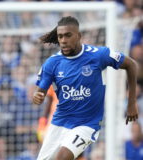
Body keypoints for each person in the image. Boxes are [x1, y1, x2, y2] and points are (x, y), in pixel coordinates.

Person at [32, 16, 138, 160]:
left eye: (68, 35)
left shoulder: (98, 55)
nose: (63, 40)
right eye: (60, 36)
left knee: (63, 157)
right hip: (59, 123)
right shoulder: (52, 63)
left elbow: (131, 65)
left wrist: (132, 103)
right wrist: (37, 97)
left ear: (79, 36)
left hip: (87, 125)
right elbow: (40, 93)